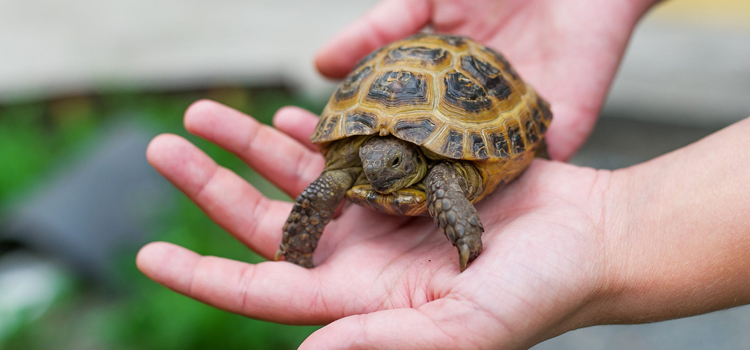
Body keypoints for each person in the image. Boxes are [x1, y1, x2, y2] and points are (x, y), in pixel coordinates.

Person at [136, 0, 750, 349]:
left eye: (392, 164)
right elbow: (332, 183)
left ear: (413, 159)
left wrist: (472, 242)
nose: (376, 175)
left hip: (468, 103)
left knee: (437, 184)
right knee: (332, 183)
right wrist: (300, 242)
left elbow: (439, 182)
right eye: (371, 164)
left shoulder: (441, 174)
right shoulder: (363, 164)